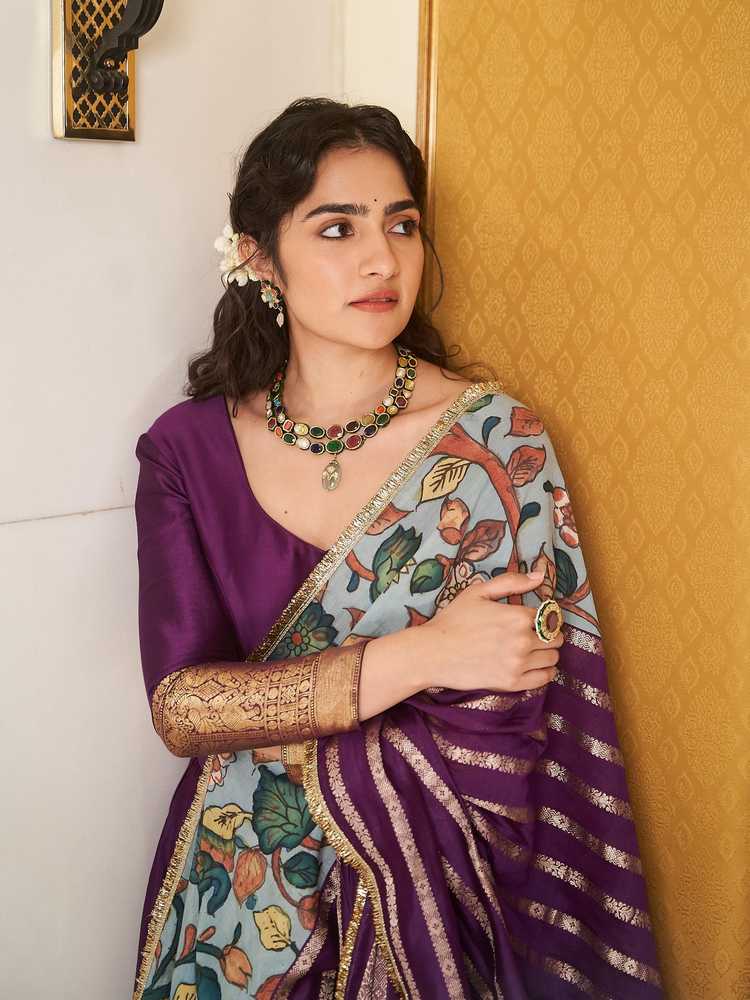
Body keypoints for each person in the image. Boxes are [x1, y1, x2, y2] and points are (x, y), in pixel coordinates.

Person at [131, 97, 663, 999]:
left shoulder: (495, 446)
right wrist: (422, 656)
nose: (383, 259)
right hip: (238, 901)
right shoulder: (186, 451)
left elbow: (525, 707)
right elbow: (183, 709)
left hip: (440, 912)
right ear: (257, 256)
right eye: (337, 228)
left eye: (402, 225)